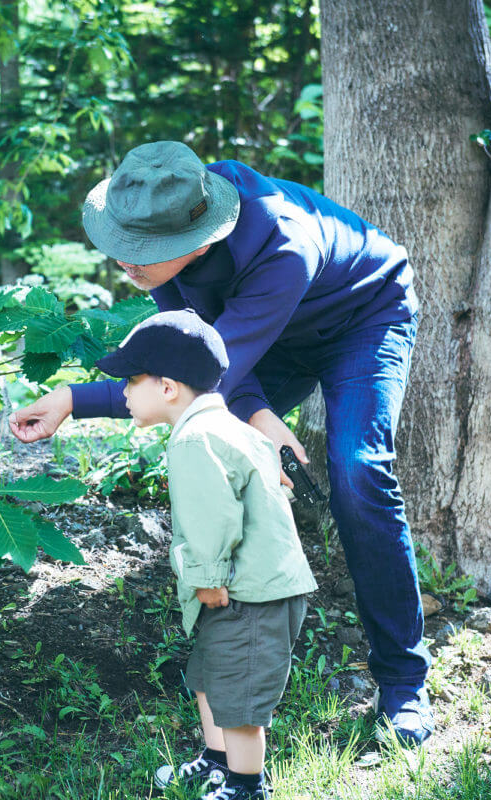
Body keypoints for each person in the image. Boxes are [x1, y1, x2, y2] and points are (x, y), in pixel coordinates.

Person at [9, 140, 433, 746]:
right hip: (261, 331)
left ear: (201, 242)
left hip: (361, 318)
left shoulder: (282, 245)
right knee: (210, 436)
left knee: (359, 470)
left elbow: (204, 374)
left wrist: (252, 408)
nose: (126, 264)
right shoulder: (168, 222)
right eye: (122, 247)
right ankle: (231, 643)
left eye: (142, 256)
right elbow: (194, 361)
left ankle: (402, 682)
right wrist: (73, 401)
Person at [94, 309, 317, 800]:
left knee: (237, 699)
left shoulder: (195, 439)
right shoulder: (234, 428)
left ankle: (245, 785)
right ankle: (217, 763)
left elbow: (213, 517)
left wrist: (208, 576)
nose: (125, 392)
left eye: (131, 380)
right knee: (209, 679)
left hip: (246, 592)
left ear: (168, 387)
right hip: (255, 587)